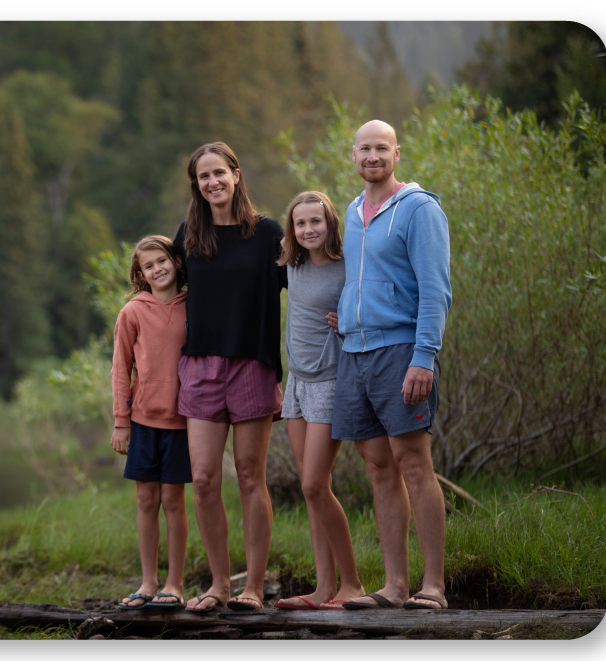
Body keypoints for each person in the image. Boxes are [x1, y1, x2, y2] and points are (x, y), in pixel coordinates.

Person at [328, 120, 453, 610]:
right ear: (353, 156)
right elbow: (366, 277)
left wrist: (424, 357)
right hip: (354, 354)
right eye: (364, 148)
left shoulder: (420, 209)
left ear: (397, 154)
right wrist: (348, 307)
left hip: (401, 353)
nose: (372, 156)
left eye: (382, 148)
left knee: (414, 465)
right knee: (378, 469)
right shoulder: (355, 211)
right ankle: (395, 587)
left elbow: (435, 290)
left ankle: (434, 587)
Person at [172, 142, 286, 613]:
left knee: (249, 476)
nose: (213, 182)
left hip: (252, 365)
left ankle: (253, 588)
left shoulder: (267, 235)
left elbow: (302, 281)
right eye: (204, 176)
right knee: (202, 479)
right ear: (196, 185)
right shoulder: (188, 236)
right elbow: (162, 290)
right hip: (200, 367)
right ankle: (219, 584)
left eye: (220, 173)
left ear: (237, 175)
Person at [272, 191, 366, 611]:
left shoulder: (349, 265)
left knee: (312, 483)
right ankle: (323, 588)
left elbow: (371, 304)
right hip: (297, 383)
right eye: (300, 223)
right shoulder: (292, 264)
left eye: (316, 221)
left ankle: (353, 585)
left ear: (330, 224)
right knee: (314, 491)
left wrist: (348, 322)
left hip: (331, 381)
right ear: (291, 229)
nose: (308, 229)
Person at [110, 235, 191, 609]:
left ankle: (174, 584)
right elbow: (120, 369)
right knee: (146, 499)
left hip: (183, 419)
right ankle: (147, 582)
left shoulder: (194, 305)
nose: (157, 269)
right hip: (142, 419)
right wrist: (120, 420)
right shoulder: (132, 312)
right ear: (140, 275)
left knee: (174, 500)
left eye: (162, 261)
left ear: (175, 261)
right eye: (148, 266)